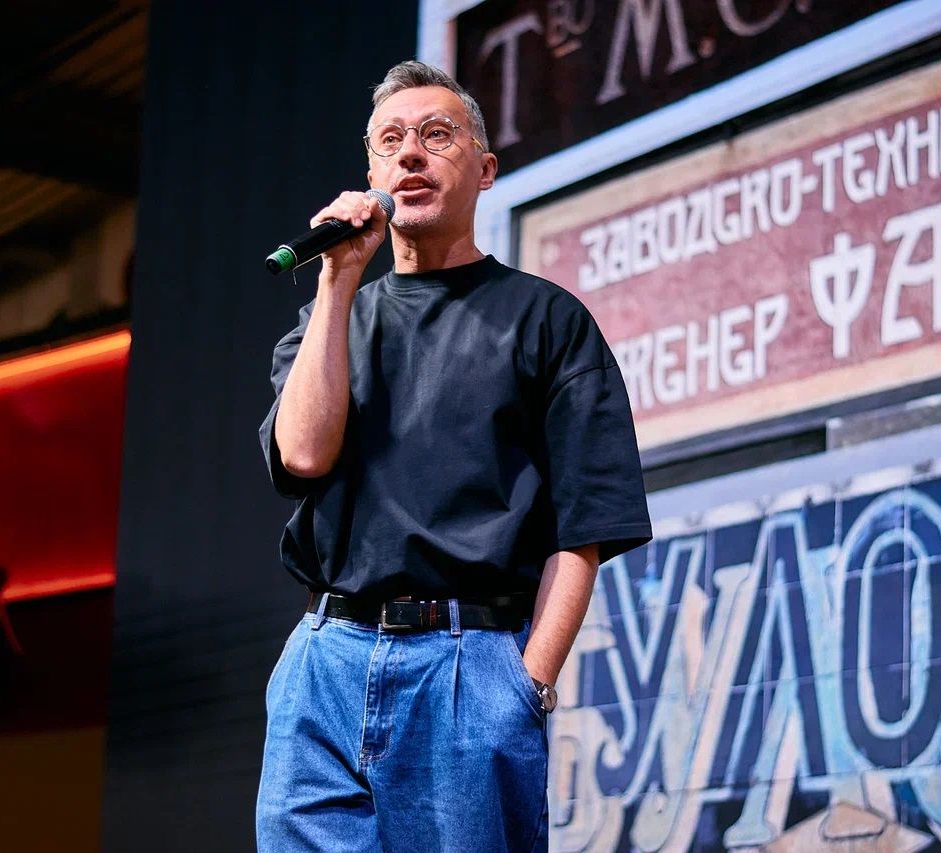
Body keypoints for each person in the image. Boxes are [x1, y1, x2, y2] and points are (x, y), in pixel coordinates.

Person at [257, 60, 652, 852]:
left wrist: (526, 683)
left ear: (485, 168)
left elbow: (585, 526)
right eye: (390, 141)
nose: (410, 153)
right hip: (325, 661)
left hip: (469, 665)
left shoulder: (546, 320)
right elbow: (301, 454)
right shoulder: (330, 320)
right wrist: (337, 279)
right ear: (371, 174)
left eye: (436, 135)